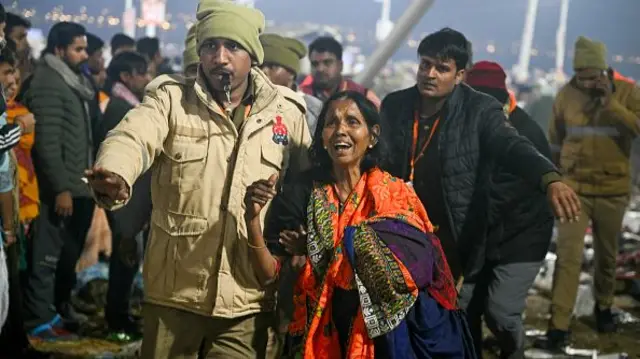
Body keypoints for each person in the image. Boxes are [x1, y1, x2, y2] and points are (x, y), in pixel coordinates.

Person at [85, 1, 311, 358]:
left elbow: (306, 188)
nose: (220, 57)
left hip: (248, 300)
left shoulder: (286, 113)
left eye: (232, 46)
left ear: (253, 53)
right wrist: (115, 171)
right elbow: (133, 135)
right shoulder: (171, 98)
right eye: (210, 46)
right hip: (176, 295)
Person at [245, 90, 476, 358]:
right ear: (322, 136)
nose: (341, 130)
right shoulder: (302, 192)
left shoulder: (396, 194)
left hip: (387, 338)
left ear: (373, 136)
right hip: (314, 332)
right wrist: (251, 219)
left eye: (352, 122)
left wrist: (318, 249)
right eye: (331, 122)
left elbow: (417, 268)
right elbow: (269, 273)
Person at [380, 28, 580, 289]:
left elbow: (512, 145)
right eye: (425, 65)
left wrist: (549, 179)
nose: (430, 74)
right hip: (401, 226)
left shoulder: (479, 110)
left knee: (449, 313)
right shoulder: (396, 105)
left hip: (454, 233)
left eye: (442, 68)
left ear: (460, 75)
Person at [543, 36, 640, 349]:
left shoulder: (628, 92)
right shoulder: (565, 95)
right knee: (568, 258)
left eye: (591, 76)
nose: (585, 83)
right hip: (575, 188)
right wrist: (554, 180)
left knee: (606, 256)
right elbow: (554, 141)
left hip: (612, 189)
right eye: (580, 76)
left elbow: (637, 128)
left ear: (604, 71)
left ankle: (604, 306)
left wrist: (610, 103)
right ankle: (558, 326)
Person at [463, 61, 554, 359]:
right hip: (479, 235)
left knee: (501, 312)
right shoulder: (463, 127)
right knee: (463, 308)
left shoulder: (524, 135)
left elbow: (498, 198)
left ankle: (514, 352)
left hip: (521, 236)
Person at [22, 21, 96, 338]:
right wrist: (62, 188)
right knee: (46, 257)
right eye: (78, 49)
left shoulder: (70, 80)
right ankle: (37, 320)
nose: (85, 55)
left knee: (61, 256)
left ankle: (51, 312)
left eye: (84, 48)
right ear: (59, 50)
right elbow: (47, 144)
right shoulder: (48, 83)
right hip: (56, 191)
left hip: (76, 185)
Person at [98, 51, 152, 340]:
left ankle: (119, 314)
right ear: (125, 77)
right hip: (123, 197)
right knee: (125, 256)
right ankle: (117, 319)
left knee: (128, 256)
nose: (147, 78)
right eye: (141, 73)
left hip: (127, 196)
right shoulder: (121, 108)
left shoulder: (125, 103)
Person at [260, 33, 323, 133]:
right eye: (260, 66)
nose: (264, 71)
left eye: (272, 67)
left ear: (291, 74)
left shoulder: (312, 108)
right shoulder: (249, 102)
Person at [299, 36, 380, 107]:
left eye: (327, 62)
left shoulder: (363, 97)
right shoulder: (301, 97)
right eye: (315, 64)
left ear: (340, 65)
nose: (320, 69)